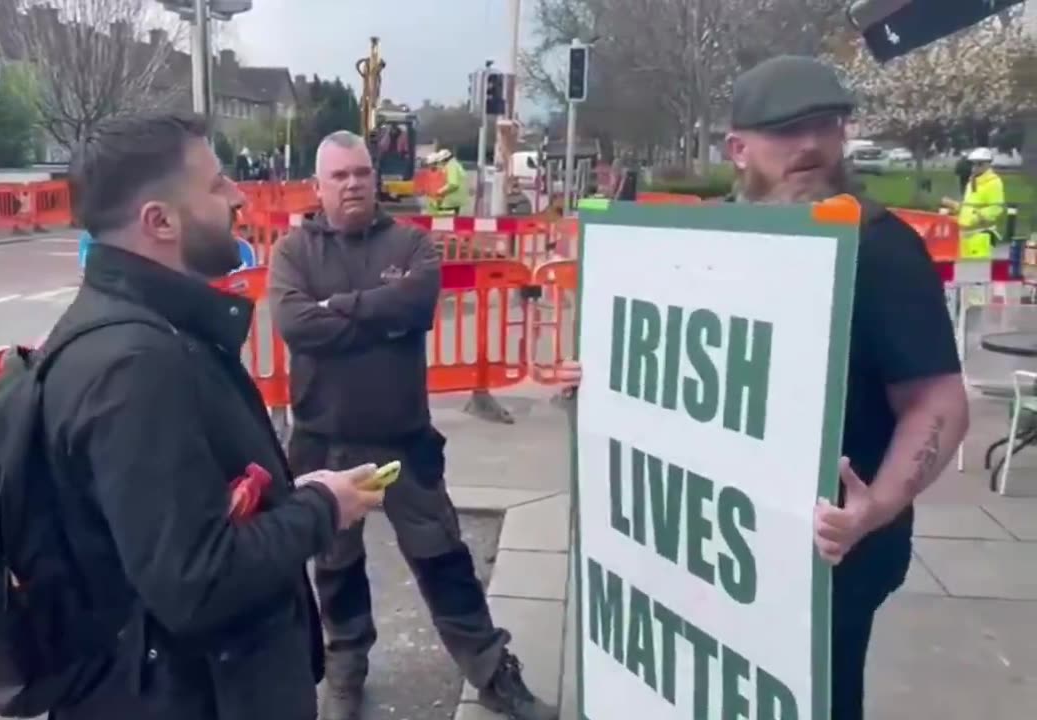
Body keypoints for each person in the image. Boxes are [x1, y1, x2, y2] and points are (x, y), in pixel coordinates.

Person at [560, 56, 971, 720]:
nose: (810, 145)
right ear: (737, 147)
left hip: (827, 559)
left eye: (826, 125)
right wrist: (603, 378)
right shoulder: (709, 235)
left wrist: (876, 507)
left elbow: (939, 403)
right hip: (710, 550)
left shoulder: (880, 248)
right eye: (787, 130)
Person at [39, 112, 386, 720]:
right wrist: (321, 510)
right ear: (160, 221)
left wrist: (282, 496)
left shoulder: (146, 329)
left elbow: (171, 520)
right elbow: (196, 581)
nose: (239, 197)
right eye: (217, 183)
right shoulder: (137, 364)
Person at [268, 130, 557, 720]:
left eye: (361, 173)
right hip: (325, 440)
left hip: (403, 438)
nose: (353, 184)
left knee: (442, 558)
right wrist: (376, 307)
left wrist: (338, 308)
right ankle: (346, 670)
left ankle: (490, 670)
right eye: (340, 176)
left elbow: (416, 304)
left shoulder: (411, 243)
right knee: (336, 566)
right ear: (318, 187)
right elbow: (297, 325)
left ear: (375, 178)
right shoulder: (294, 252)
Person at [942, 147, 1007, 260]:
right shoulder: (972, 181)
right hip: (965, 233)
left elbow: (996, 207)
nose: (975, 167)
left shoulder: (993, 182)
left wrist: (977, 216)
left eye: (979, 164)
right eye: (973, 164)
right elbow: (969, 206)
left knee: (977, 269)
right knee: (965, 270)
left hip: (980, 234)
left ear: (987, 165)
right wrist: (953, 207)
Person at [426, 148, 470, 215]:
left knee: (444, 220)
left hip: (451, 200)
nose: (441, 163)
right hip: (454, 199)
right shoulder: (455, 165)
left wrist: (439, 192)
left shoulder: (451, 166)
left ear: (445, 159)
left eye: (441, 161)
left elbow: (453, 184)